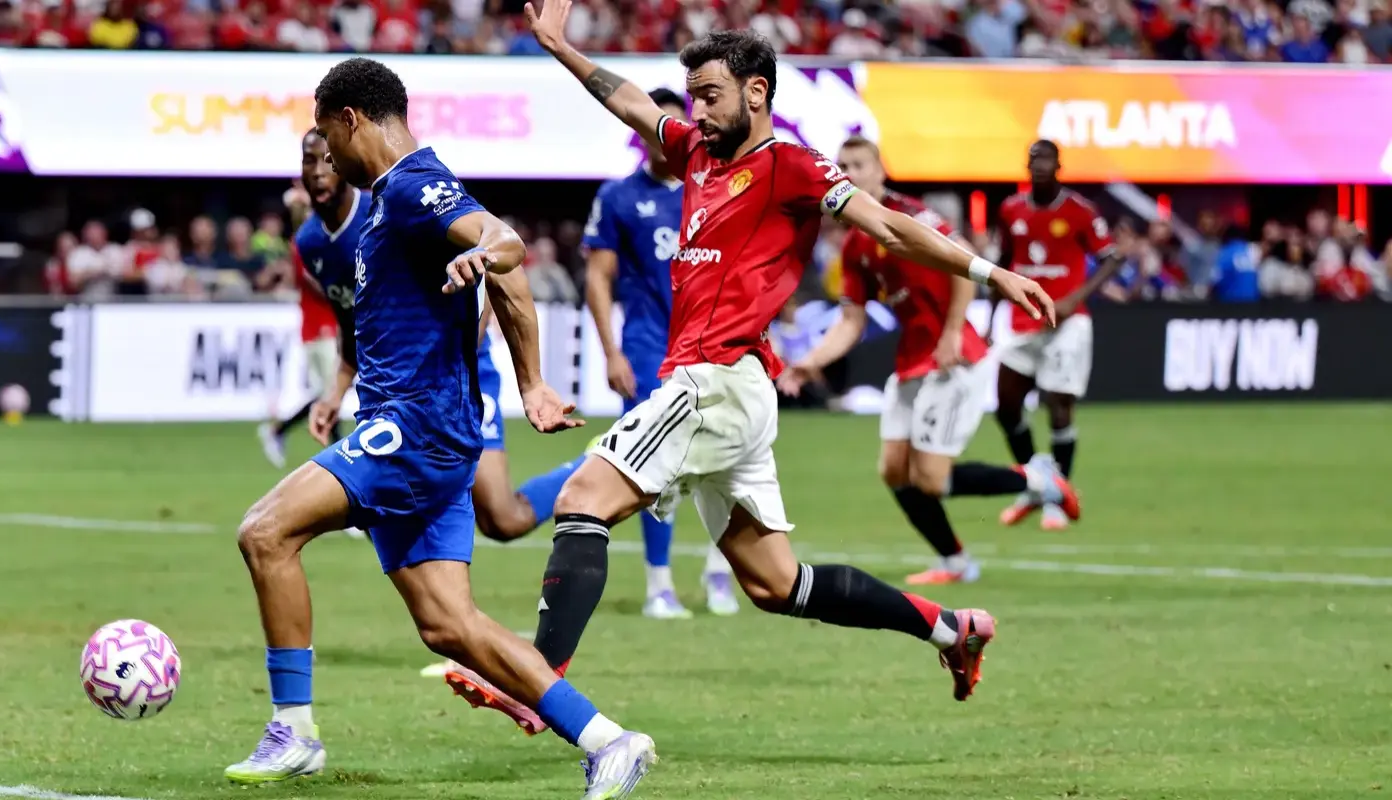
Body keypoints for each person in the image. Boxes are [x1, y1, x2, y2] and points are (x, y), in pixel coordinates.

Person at [441, 8, 1055, 740]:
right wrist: (559, 47)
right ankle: (952, 629)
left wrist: (990, 273)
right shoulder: (698, 154)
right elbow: (631, 103)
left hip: (716, 383)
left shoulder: (791, 166)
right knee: (775, 583)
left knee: (582, 498)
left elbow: (890, 226)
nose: (696, 113)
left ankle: (536, 682)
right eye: (692, 98)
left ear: (756, 92)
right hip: (730, 390)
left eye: (709, 96)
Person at [224, 57, 656, 799]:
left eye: (328, 136)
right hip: (425, 431)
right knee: (450, 626)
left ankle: (293, 730)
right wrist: (529, 382)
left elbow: (505, 245)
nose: (327, 157)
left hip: (415, 430)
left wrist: (500, 286)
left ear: (350, 121)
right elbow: (478, 281)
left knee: (265, 532)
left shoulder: (413, 186)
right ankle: (609, 741)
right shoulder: (386, 203)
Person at [777, 137, 1080, 586]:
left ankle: (1040, 481)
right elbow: (851, 321)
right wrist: (809, 362)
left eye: (859, 164)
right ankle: (955, 562)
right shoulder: (856, 244)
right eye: (842, 165)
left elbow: (967, 264)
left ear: (881, 171)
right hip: (913, 361)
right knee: (894, 470)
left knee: (932, 479)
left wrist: (954, 330)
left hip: (954, 358)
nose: (849, 173)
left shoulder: (912, 216)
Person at [582, 86, 735, 619]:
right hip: (648, 347)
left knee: (722, 460)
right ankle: (659, 585)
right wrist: (611, 352)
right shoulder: (618, 197)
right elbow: (598, 278)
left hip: (712, 346)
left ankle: (720, 571)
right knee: (653, 467)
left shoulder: (716, 189)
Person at [993, 140, 1122, 532]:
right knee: (1006, 406)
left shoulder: (1080, 211)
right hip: (1022, 319)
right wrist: (989, 316)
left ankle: (1056, 498)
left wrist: (1074, 299)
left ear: (1059, 167)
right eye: (1034, 160)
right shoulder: (1010, 209)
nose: (1040, 166)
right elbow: (1003, 261)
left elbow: (1112, 257)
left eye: (1047, 160)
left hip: (1067, 323)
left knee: (1058, 404)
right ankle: (1037, 484)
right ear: (1027, 166)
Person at [258, 131, 367, 471]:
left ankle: (282, 432)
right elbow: (322, 290)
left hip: (330, 329)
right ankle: (341, 466)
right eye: (309, 162)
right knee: (328, 392)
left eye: (327, 161)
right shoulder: (308, 242)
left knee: (327, 392)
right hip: (320, 328)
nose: (318, 172)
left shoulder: (376, 214)